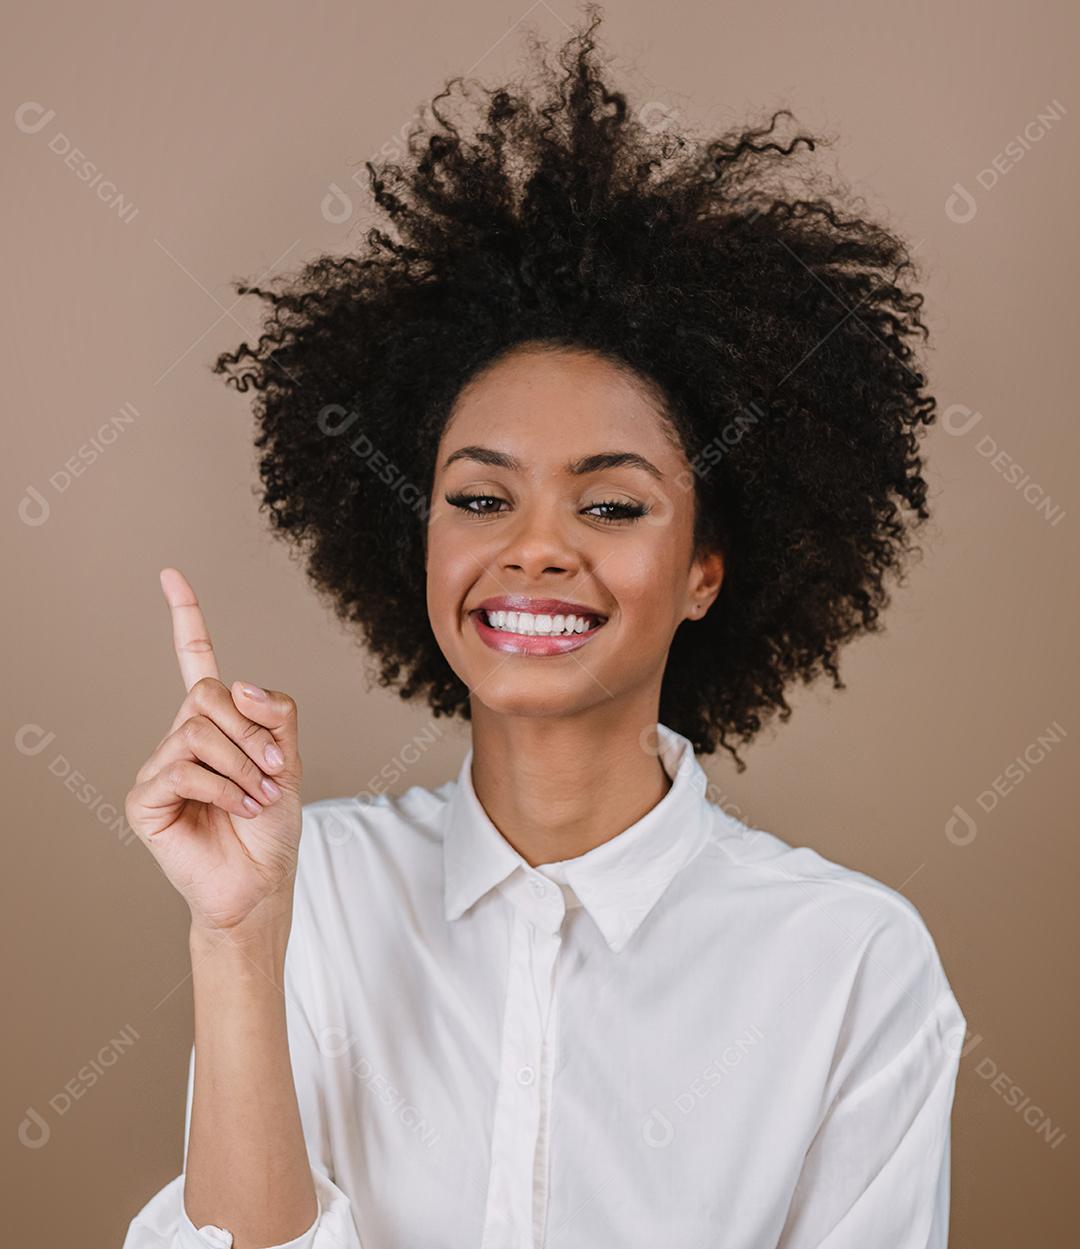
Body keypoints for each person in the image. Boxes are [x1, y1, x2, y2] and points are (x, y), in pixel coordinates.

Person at [121, 6, 965, 1247]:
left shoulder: (849, 963)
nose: (535, 546)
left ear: (706, 572)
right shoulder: (312, 890)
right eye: (478, 497)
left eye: (612, 502)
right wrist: (240, 943)